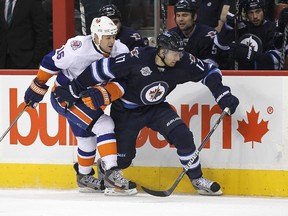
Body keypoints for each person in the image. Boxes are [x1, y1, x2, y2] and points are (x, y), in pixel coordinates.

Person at [55, 31, 239, 196]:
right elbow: (100, 69)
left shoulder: (184, 62)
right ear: (162, 51)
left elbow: (210, 71)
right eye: (175, 52)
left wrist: (223, 94)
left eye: (180, 52)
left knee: (182, 135)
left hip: (157, 108)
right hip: (126, 112)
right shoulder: (137, 58)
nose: (178, 57)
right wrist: (74, 89)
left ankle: (197, 179)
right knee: (123, 160)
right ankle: (106, 170)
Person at [23, 16, 137, 196]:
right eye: (106, 37)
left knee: (86, 137)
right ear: (95, 36)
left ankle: (84, 177)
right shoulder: (77, 48)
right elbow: (49, 61)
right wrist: (38, 84)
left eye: (113, 36)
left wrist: (106, 93)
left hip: (87, 99)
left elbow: (123, 80)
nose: (111, 41)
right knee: (104, 124)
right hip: (64, 97)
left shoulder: (120, 50)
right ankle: (112, 174)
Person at [214, 0, 280, 70]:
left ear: (264, 11)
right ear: (246, 14)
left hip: (261, 75)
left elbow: (276, 60)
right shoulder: (241, 27)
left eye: (258, 11)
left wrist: (249, 54)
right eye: (250, 13)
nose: (255, 16)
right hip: (237, 73)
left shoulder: (272, 28)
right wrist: (229, 26)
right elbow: (221, 46)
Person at [169, 0, 220, 66]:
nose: (181, 19)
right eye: (178, 15)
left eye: (185, 15)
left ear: (194, 17)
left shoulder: (209, 35)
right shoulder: (171, 35)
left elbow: (210, 66)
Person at [0, 0, 49, 69]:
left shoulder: (31, 2)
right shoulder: (1, 3)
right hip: (3, 61)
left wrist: (36, 58)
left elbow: (42, 31)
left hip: (26, 60)